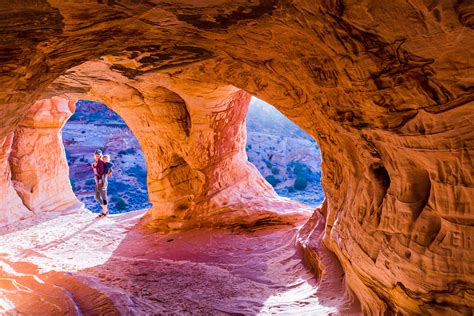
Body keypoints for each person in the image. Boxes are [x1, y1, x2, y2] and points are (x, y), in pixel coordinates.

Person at [91, 149, 107, 217]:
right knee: (97, 196)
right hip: (97, 181)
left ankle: (104, 212)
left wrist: (95, 166)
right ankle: (105, 210)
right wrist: (94, 166)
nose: (97, 156)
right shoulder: (96, 162)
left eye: (98, 155)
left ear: (100, 155)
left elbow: (101, 172)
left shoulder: (100, 162)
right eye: (96, 155)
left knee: (103, 197)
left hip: (101, 181)